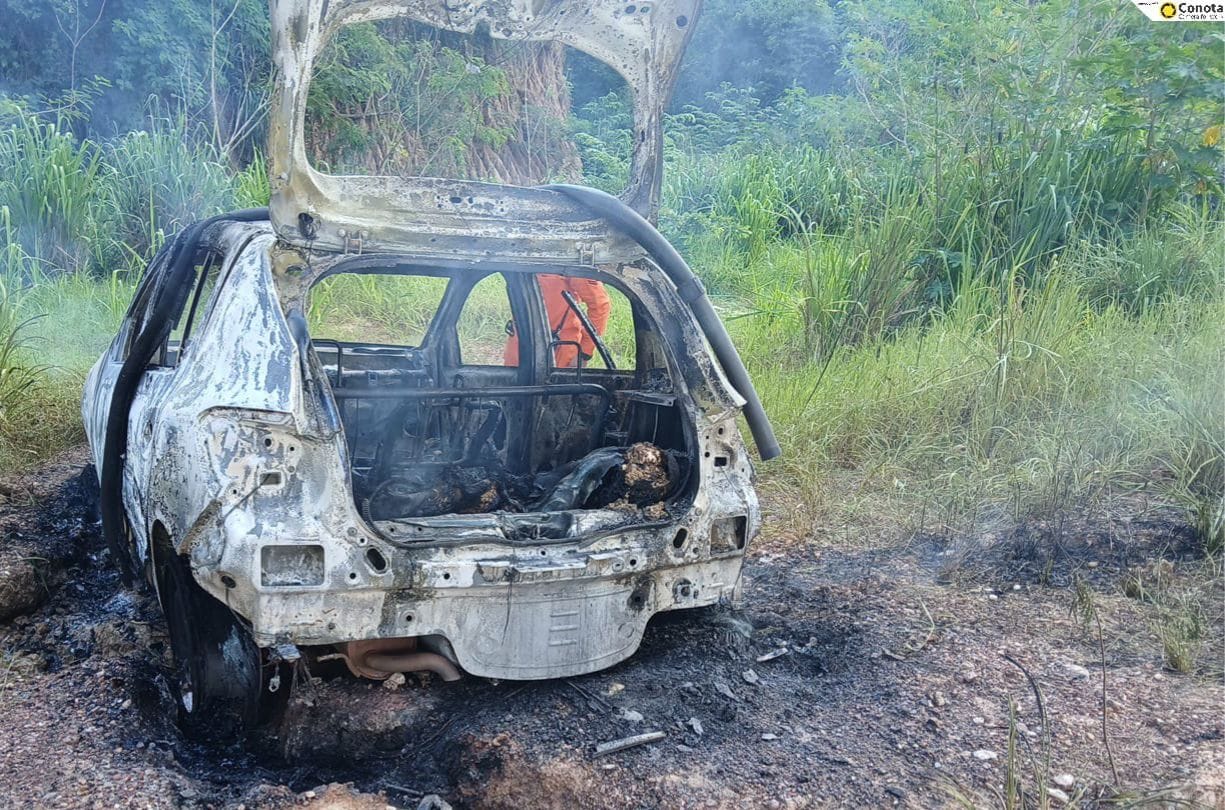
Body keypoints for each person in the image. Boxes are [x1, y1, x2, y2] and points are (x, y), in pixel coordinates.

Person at [504, 274, 611, 368]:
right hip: (518, 347)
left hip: (558, 352)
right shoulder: (520, 258)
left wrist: (583, 353)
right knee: (510, 383)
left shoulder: (569, 260)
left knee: (556, 385)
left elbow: (600, 305)